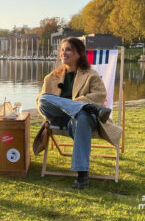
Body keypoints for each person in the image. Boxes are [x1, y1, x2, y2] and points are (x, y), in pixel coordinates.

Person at [36, 37, 122, 189]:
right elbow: (41, 103)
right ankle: (86, 108)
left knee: (81, 116)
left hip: (84, 120)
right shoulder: (51, 78)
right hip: (59, 118)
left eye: (68, 49)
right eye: (62, 50)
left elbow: (100, 95)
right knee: (43, 99)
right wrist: (81, 105)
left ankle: (82, 174)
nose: (64, 53)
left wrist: (77, 107)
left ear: (79, 53)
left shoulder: (90, 75)